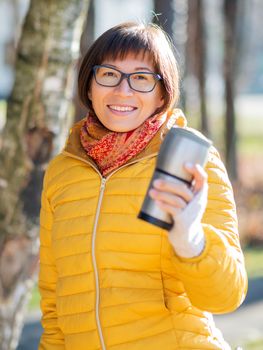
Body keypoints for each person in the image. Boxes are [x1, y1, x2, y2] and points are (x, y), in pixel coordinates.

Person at [38, 22, 247, 350]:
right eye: (108, 74)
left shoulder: (191, 162)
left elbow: (227, 296)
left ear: (163, 92)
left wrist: (190, 240)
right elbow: (54, 303)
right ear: (89, 85)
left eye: (141, 78)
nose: (123, 91)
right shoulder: (62, 172)